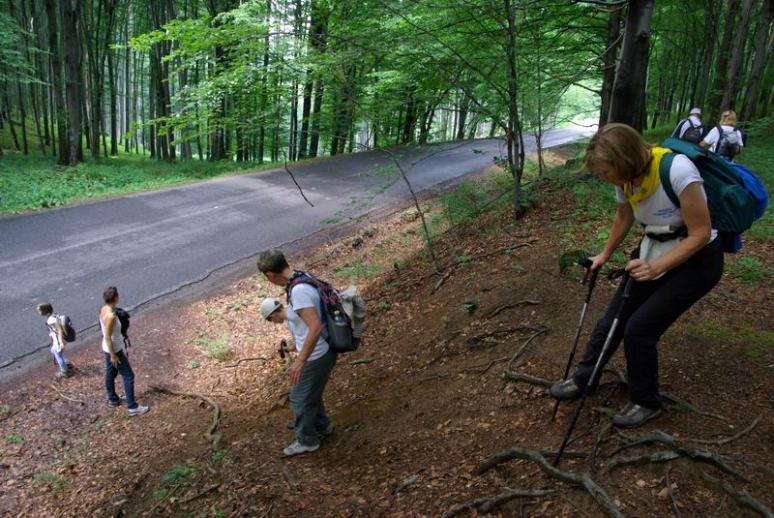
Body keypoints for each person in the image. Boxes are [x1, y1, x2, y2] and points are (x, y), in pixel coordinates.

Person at [549, 123, 723, 428]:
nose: (604, 178)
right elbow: (624, 215)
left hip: (697, 263)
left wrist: (657, 268)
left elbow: (700, 233)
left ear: (624, 160)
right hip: (652, 250)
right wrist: (604, 254)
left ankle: (646, 400)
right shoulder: (626, 177)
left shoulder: (679, 171)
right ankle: (584, 379)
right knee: (613, 320)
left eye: (605, 172)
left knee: (639, 329)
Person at [256, 249, 336, 457]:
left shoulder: (298, 290)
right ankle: (323, 426)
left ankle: (307, 441)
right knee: (311, 394)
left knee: (298, 397)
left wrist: (300, 360)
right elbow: (307, 323)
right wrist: (295, 346)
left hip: (316, 355)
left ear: (270, 275)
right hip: (318, 351)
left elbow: (315, 327)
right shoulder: (300, 278)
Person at [99, 286, 149, 416]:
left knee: (111, 372)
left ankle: (112, 399)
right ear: (115, 298)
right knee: (128, 375)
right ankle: (132, 407)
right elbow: (108, 337)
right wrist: (113, 355)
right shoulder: (111, 316)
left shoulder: (103, 309)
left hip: (106, 347)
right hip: (114, 349)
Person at [37, 303, 72, 379]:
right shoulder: (54, 315)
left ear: (45, 311)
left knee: (58, 355)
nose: (39, 313)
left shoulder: (51, 320)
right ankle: (67, 363)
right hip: (60, 339)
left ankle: (64, 372)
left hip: (59, 340)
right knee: (54, 350)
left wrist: (61, 342)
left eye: (39, 311)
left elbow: (59, 330)